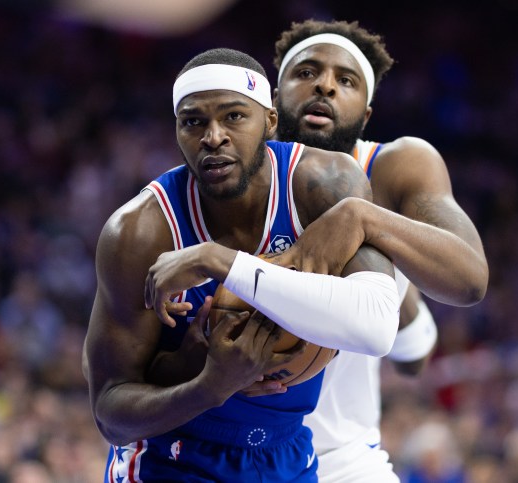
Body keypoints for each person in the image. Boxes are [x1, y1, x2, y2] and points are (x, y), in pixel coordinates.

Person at [83, 47, 405, 481]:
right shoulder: (139, 231)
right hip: (174, 455)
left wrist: (224, 264)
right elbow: (110, 414)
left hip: (288, 452)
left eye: (234, 116)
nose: (212, 136)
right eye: (193, 121)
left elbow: (378, 326)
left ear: (270, 121)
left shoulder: (324, 183)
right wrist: (210, 386)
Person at [270, 19, 489, 482]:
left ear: (365, 115)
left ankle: (398, 291)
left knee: (412, 342)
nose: (325, 85)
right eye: (306, 72)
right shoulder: (231, 171)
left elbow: (470, 279)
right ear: (273, 101)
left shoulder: (393, 164)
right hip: (229, 451)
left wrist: (362, 217)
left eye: (345, 80)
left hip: (342, 460)